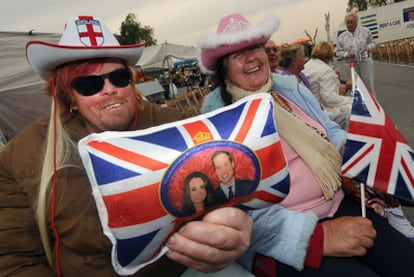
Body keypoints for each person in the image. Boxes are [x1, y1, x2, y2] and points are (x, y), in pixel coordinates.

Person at [0, 15, 253, 276]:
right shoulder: (24, 154)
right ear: (69, 98)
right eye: (89, 84)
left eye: (119, 77)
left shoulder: (177, 127)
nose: (109, 89)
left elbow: (224, 190)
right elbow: (12, 258)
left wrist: (228, 228)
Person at [198, 12, 414, 276]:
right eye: (236, 54)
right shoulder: (218, 127)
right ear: (224, 70)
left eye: (254, 47)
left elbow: (331, 130)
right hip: (291, 236)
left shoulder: (290, 91)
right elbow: (235, 213)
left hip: (341, 201)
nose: (251, 57)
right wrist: (318, 236)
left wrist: (355, 149)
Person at [303, 41, 353, 130]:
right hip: (322, 109)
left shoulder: (308, 65)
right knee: (355, 109)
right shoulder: (326, 70)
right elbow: (330, 99)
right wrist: (350, 100)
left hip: (310, 107)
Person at [336, 12, 376, 96]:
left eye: (352, 22)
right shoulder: (341, 37)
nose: (350, 25)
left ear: (356, 22)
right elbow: (338, 52)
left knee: (368, 85)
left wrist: (368, 48)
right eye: (348, 23)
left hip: (365, 61)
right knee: (355, 86)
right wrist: (346, 54)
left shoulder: (365, 31)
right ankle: (358, 106)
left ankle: (372, 107)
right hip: (351, 65)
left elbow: (373, 44)